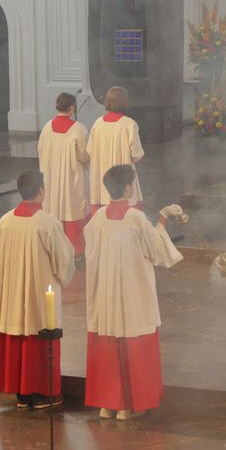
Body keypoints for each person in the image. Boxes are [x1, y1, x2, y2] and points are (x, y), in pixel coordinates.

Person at [85, 165, 185, 420]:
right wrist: (163, 218)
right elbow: (157, 252)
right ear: (129, 187)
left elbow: (91, 256)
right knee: (133, 342)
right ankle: (129, 405)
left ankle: (109, 404)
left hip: (106, 295)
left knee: (109, 343)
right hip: (132, 296)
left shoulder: (96, 220)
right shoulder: (136, 219)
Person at [0, 171, 76, 409]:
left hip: (12, 294)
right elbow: (65, 260)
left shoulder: (4, 221)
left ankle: (21, 393)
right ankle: (42, 393)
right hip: (39, 296)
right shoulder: (47, 223)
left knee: (16, 329)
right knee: (38, 330)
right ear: (41, 191)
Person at [37, 92, 90, 256]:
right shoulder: (79, 129)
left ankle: (53, 250)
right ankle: (75, 250)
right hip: (70, 179)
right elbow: (85, 155)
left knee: (53, 208)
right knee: (71, 208)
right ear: (72, 107)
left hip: (51, 178)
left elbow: (40, 150)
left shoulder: (46, 127)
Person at [87, 86, 145, 211]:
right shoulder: (129, 124)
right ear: (124, 102)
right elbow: (136, 154)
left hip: (102, 176)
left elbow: (90, 150)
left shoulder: (97, 124)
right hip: (122, 176)